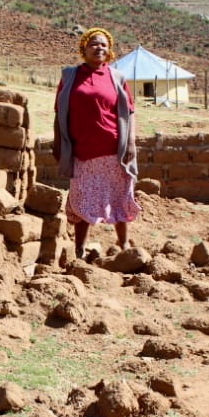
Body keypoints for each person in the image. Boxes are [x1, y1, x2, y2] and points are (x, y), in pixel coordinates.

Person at [52, 27, 140, 258]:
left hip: (114, 151)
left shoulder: (117, 77)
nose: (98, 48)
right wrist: (57, 142)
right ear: (84, 48)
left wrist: (130, 142)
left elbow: (130, 112)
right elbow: (59, 111)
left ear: (109, 50)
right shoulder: (70, 76)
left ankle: (124, 246)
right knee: (81, 199)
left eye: (103, 44)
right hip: (82, 152)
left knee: (119, 197)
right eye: (93, 44)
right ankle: (80, 249)